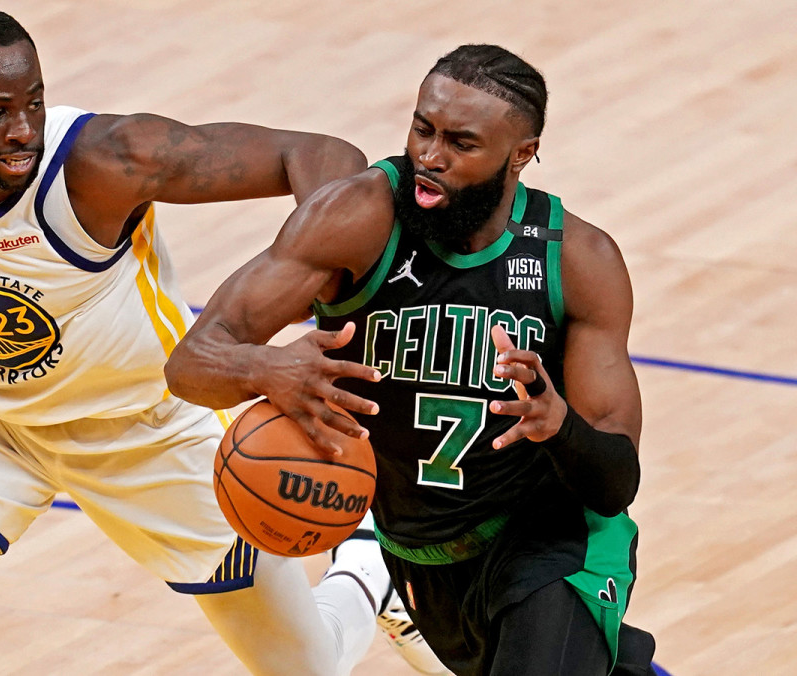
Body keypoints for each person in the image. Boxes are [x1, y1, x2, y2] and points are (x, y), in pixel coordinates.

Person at [0, 7, 448, 676]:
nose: (24, 129)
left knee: (309, 668)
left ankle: (366, 573)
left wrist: (330, 309)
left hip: (154, 431)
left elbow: (318, 154)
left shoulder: (104, 161)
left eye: (34, 102)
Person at [165, 44, 658, 675]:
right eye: (422, 128)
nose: (430, 155)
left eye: (461, 142)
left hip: (548, 542)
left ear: (521, 154)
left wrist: (557, 424)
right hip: (420, 556)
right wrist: (267, 369)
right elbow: (190, 365)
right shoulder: (358, 215)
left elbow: (616, 484)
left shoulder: (578, 260)